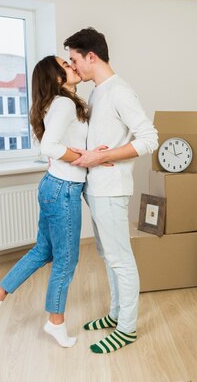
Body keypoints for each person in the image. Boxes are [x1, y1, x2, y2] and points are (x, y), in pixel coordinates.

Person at [0, 55, 89, 348]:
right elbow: (49, 147)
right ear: (55, 78)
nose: (72, 66)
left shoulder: (58, 103)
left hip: (53, 186)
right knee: (66, 260)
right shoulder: (64, 103)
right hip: (63, 188)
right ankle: (56, 323)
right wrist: (84, 156)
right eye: (65, 65)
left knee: (43, 251)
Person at [64, 27, 158, 354]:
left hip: (111, 189)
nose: (73, 67)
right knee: (107, 256)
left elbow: (149, 139)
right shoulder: (97, 91)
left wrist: (103, 155)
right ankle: (116, 314)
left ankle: (127, 328)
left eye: (75, 60)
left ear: (91, 56)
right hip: (96, 188)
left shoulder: (120, 92)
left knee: (121, 259)